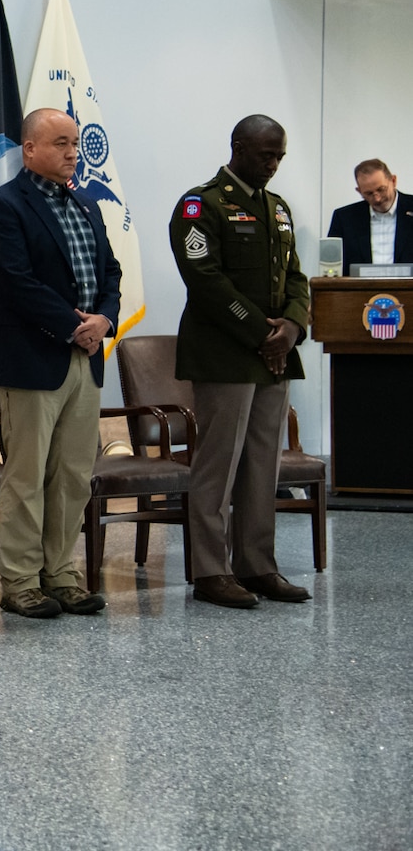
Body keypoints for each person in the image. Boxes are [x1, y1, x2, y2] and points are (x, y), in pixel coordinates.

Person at [169, 114, 312, 609]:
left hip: (274, 357)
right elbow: (205, 279)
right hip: (225, 355)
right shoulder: (200, 205)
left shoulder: (276, 209)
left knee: (261, 468)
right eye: (265, 154)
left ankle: (256, 564)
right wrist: (262, 333)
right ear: (238, 147)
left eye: (279, 156)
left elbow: (295, 277)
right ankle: (211, 571)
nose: (273, 165)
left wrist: (292, 328)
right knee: (218, 466)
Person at [0, 109, 121, 619]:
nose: (71, 153)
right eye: (60, 143)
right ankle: (19, 581)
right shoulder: (2, 206)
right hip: (34, 359)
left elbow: (111, 270)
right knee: (27, 475)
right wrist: (73, 325)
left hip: (86, 358)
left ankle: (61, 575)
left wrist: (104, 319)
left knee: (72, 474)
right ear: (30, 149)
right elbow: (16, 281)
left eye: (76, 145)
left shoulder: (86, 204)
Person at [327, 159, 412, 272]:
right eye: (369, 193)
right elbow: (332, 268)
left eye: (381, 190)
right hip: (360, 288)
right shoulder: (345, 218)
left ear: (393, 180)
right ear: (359, 191)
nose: (377, 198)